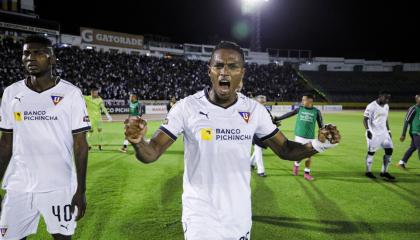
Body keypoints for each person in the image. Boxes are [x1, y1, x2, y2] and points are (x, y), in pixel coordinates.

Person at [124, 41, 340, 240]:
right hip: (200, 214)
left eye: (232, 66)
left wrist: (320, 144)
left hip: (239, 215)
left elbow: (286, 150)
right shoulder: (186, 107)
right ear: (209, 71)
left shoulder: (254, 110)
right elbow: (152, 152)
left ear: (242, 73)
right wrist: (137, 142)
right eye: (218, 66)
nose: (224, 71)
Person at [0, 35, 89, 240]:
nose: (31, 57)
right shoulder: (11, 93)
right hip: (19, 185)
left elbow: (81, 145)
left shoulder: (71, 94)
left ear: (52, 59)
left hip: (58, 186)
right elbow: (6, 143)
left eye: (38, 52)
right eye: (26, 53)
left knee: (61, 237)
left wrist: (80, 191)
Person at [275, 94, 323, 181]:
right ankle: (296, 165)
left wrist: (322, 134)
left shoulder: (316, 112)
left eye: (304, 99)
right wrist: (278, 118)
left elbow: (321, 125)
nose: (302, 101)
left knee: (309, 156)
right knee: (299, 154)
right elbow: (289, 114)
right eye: (302, 99)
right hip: (299, 136)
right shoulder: (300, 109)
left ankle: (306, 173)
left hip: (310, 137)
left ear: (310, 101)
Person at [363, 91, 395, 179]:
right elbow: (365, 119)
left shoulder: (386, 106)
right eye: (386, 98)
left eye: (389, 98)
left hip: (384, 133)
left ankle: (384, 172)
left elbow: (386, 119)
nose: (387, 100)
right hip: (374, 133)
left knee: (389, 150)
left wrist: (388, 131)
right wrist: (368, 130)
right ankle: (368, 171)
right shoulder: (371, 106)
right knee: (371, 152)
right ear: (380, 96)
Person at [396, 94, 420, 169]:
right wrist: (403, 134)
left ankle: (402, 162)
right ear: (416, 100)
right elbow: (406, 121)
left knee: (413, 147)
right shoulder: (413, 109)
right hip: (415, 132)